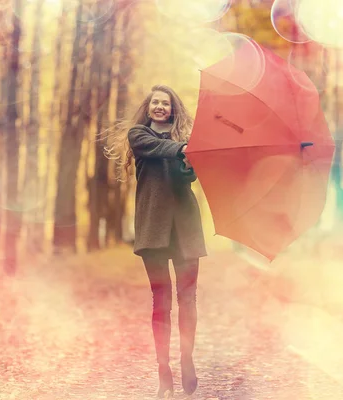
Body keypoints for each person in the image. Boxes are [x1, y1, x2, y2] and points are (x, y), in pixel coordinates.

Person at [113, 84, 207, 398]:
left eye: (165, 103)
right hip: (154, 230)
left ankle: (187, 359)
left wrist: (190, 161)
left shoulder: (184, 144)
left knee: (188, 299)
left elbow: (186, 179)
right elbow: (158, 148)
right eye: (155, 102)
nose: (159, 106)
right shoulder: (139, 135)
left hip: (185, 229)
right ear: (149, 106)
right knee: (162, 303)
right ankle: (163, 369)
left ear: (172, 108)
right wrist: (185, 148)